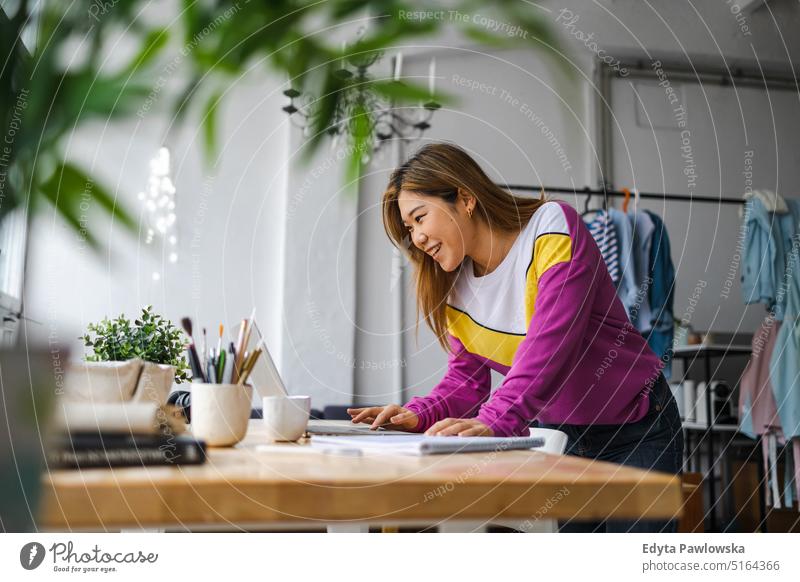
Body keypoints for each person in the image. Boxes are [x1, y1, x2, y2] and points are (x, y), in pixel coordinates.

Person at [347, 142, 683, 532]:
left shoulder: (551, 228)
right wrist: (418, 414)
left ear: (465, 198)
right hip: (563, 439)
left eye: (419, 218)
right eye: (409, 229)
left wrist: (496, 420)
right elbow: (466, 380)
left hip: (637, 426)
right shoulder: (455, 289)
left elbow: (553, 343)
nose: (417, 238)